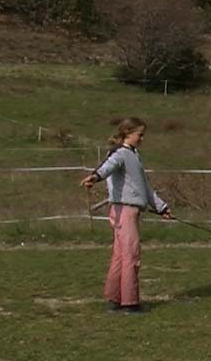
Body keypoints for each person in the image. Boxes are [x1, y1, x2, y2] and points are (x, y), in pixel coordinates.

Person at [79, 117, 172, 314]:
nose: (142, 139)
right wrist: (95, 177)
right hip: (124, 211)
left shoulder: (134, 155)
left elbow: (144, 187)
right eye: (140, 135)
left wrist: (162, 207)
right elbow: (107, 167)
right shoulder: (120, 153)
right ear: (128, 133)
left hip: (129, 210)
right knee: (131, 255)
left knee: (120, 257)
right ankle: (130, 302)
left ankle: (114, 300)